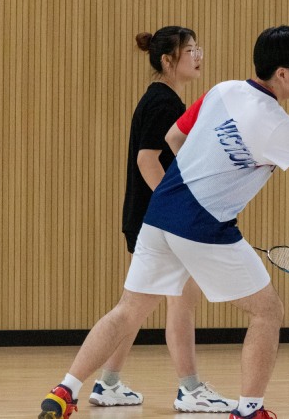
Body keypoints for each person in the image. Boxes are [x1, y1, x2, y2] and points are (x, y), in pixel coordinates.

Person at [38, 25, 289, 419]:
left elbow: (174, 137)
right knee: (267, 311)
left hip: (160, 213)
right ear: (282, 74)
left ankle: (64, 390)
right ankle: (250, 410)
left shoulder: (223, 90)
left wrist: (208, 176)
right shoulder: (278, 125)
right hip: (203, 224)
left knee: (129, 310)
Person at [86, 26, 236, 414]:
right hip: (161, 222)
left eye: (199, 48)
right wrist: (180, 211)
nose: (198, 56)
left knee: (137, 307)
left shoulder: (162, 99)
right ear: (168, 60)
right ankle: (190, 389)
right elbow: (147, 160)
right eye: (190, 51)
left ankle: (108, 382)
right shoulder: (164, 104)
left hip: (148, 219)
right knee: (177, 302)